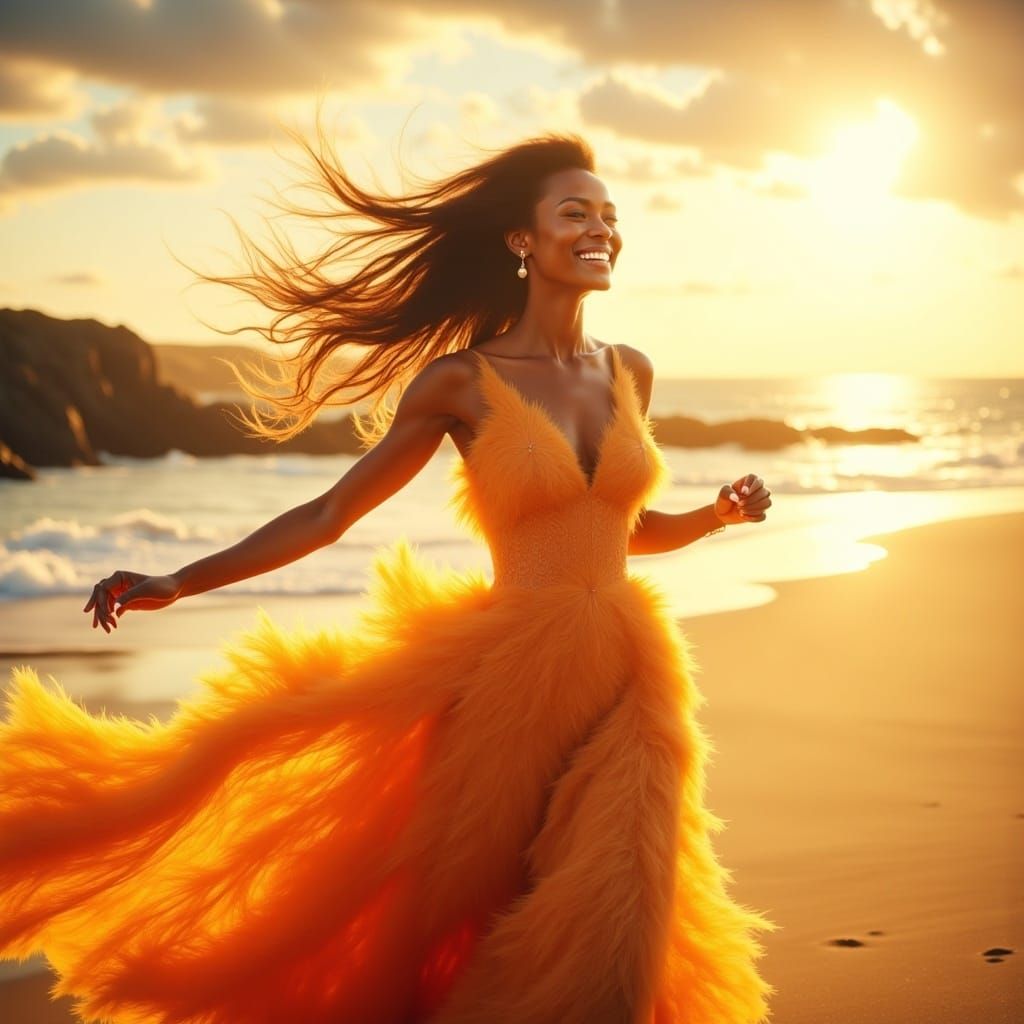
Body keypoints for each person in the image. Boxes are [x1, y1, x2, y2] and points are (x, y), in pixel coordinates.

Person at [0, 131, 776, 1023]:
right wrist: (183, 577)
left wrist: (714, 516)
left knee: (617, 922)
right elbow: (330, 515)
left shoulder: (628, 370)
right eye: (576, 213)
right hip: (511, 683)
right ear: (523, 241)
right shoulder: (461, 382)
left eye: (610, 215)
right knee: (466, 922)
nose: (602, 229)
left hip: (634, 679)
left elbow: (621, 533)